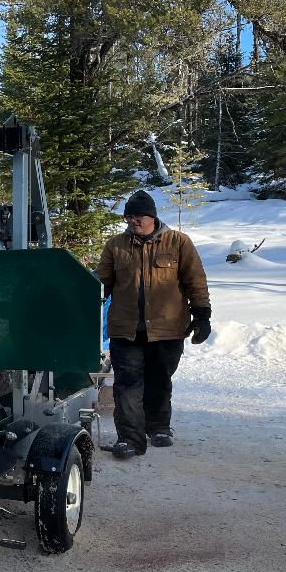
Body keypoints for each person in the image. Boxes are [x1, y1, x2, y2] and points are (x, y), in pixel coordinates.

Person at [96, 190, 211, 459]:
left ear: (152, 217)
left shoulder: (179, 242)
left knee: (159, 380)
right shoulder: (116, 246)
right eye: (129, 216)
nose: (133, 221)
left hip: (168, 329)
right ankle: (129, 439)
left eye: (138, 216)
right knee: (127, 385)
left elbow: (196, 280)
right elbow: (100, 284)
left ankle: (159, 427)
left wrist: (202, 315)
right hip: (126, 330)